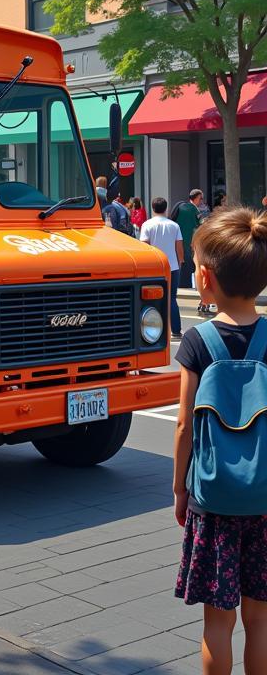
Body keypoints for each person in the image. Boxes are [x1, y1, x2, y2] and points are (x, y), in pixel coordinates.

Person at [173, 208, 267, 675]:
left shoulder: (196, 341)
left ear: (204, 278)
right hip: (265, 496)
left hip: (213, 501)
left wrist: (178, 489)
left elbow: (184, 426)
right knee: (261, 619)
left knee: (218, 622)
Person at [140, 197, 185, 338]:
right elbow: (179, 246)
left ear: (152, 208)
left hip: (154, 266)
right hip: (172, 266)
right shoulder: (174, 225)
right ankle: (176, 331)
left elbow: (145, 246)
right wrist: (181, 261)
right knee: (172, 299)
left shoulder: (147, 225)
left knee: (152, 299)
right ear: (166, 208)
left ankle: (153, 331)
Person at [172, 189, 204, 289]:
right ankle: (186, 286)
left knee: (180, 264)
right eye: (200, 198)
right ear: (195, 198)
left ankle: (180, 285)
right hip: (189, 243)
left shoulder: (181, 207)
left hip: (177, 242)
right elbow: (202, 225)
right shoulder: (194, 210)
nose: (201, 201)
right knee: (189, 265)